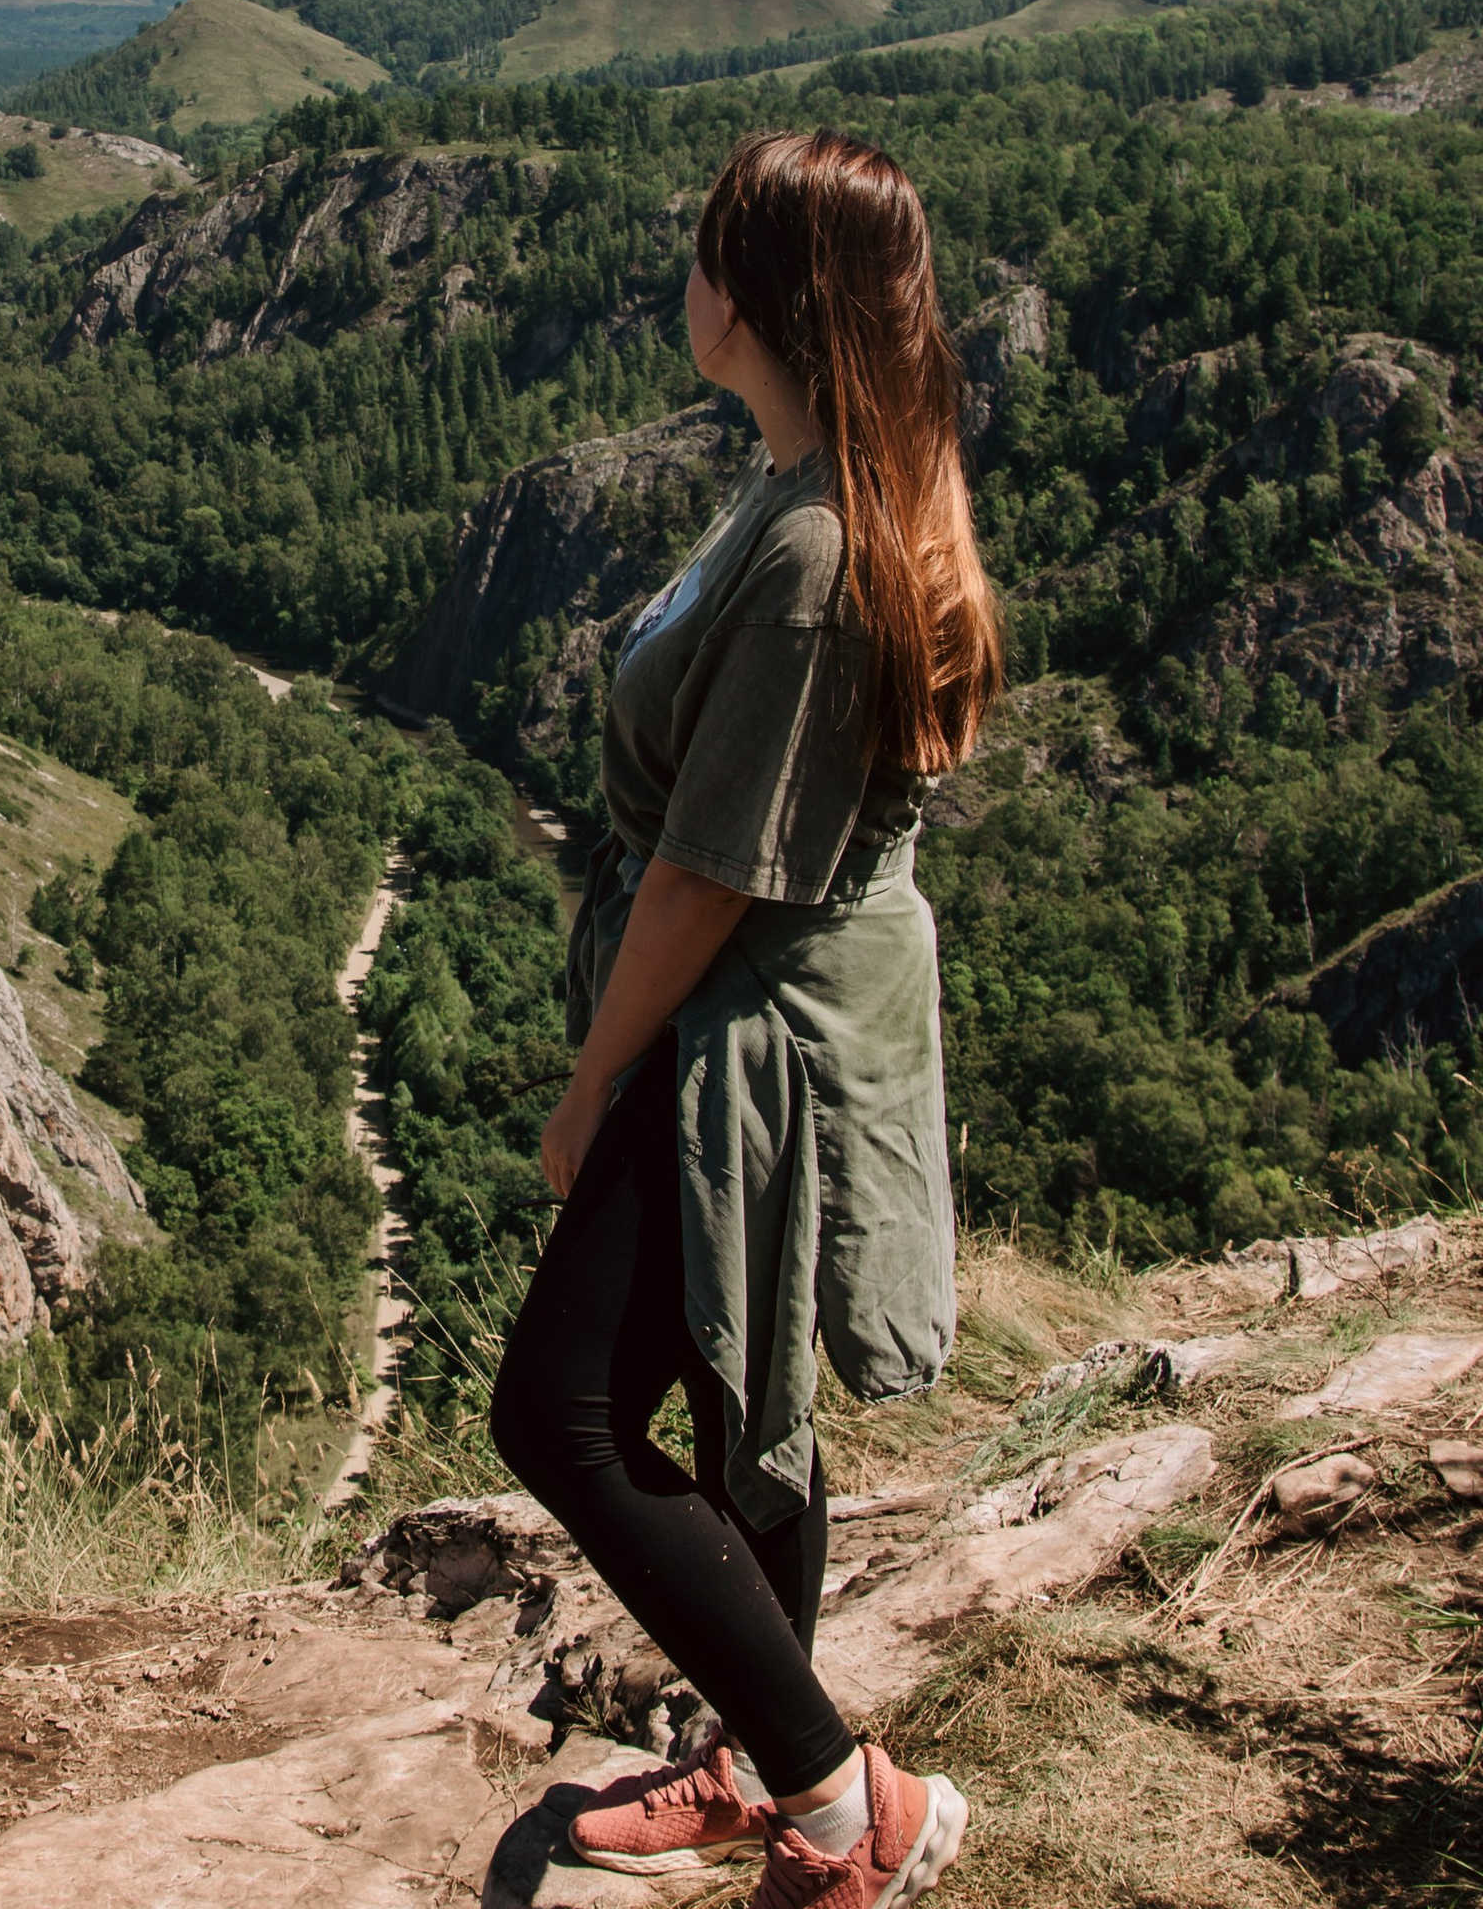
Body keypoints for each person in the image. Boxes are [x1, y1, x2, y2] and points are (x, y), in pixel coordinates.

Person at [487, 128, 1001, 1909]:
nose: (681, 278)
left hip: (743, 1026)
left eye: (709, 251)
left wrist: (593, 1081)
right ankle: (771, 1765)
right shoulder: (799, 485)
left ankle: (843, 1802)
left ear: (767, 297)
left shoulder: (809, 553)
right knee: (737, 1400)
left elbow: (708, 878)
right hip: (748, 1003)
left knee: (553, 1415)